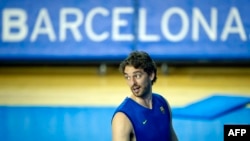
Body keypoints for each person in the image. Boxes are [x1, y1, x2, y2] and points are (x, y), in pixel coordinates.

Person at [111, 51, 178, 141]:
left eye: (137, 76)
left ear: (151, 75)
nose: (132, 83)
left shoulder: (163, 103)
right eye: (128, 77)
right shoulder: (122, 118)